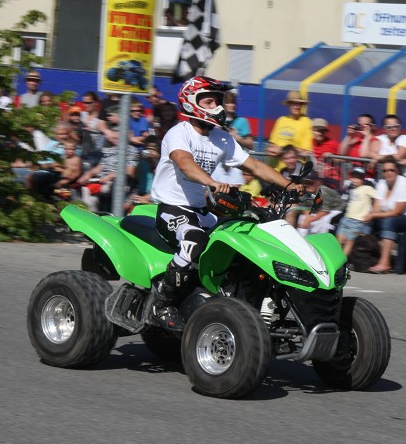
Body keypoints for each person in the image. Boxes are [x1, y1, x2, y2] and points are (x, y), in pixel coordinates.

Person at [148, 76, 300, 332]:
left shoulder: (222, 138)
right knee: (194, 240)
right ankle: (162, 303)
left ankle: (239, 304)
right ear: (191, 103)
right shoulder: (179, 133)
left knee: (245, 236)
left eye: (218, 101)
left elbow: (255, 165)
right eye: (209, 101)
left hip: (202, 211)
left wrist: (290, 186)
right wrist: (211, 182)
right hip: (172, 209)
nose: (217, 106)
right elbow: (185, 163)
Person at [364, 156, 406, 274]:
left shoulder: (404, 184)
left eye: (391, 170)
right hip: (397, 217)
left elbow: (397, 211)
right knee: (367, 221)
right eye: (385, 170)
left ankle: (385, 263)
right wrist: (371, 214)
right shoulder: (382, 184)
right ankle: (364, 259)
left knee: (389, 222)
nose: (388, 173)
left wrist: (374, 215)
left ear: (397, 171)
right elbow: (377, 207)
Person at [337, 167, 377, 257]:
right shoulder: (351, 189)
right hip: (346, 217)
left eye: (358, 178)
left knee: (349, 241)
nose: (355, 180)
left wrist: (372, 212)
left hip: (357, 220)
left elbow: (378, 198)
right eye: (353, 177)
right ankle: (337, 258)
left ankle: (342, 260)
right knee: (339, 239)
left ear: (363, 179)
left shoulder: (367, 188)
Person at [266, 90, 313, 167]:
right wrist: (270, 149)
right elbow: (272, 145)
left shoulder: (307, 122)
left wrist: (281, 150)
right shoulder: (281, 120)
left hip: (295, 171)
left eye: (300, 104)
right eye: (294, 103)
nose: (297, 106)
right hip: (277, 169)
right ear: (289, 104)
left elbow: (306, 150)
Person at [292, 172, 345, 236]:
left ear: (318, 182)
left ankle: (322, 239)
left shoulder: (323, 191)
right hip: (318, 208)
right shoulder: (304, 190)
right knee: (302, 218)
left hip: (335, 208)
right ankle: (302, 239)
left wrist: (309, 220)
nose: (308, 185)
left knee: (325, 220)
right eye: (305, 182)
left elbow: (325, 211)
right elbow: (304, 206)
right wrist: (307, 216)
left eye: (310, 182)